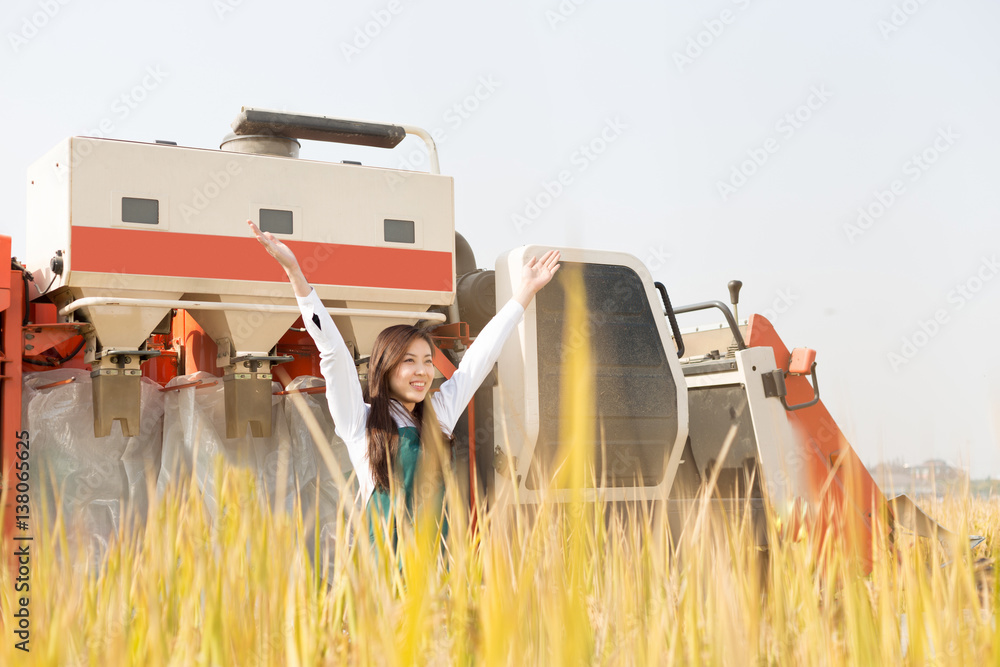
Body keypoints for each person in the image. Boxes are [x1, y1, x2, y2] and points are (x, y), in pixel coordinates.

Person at [248, 220, 560, 543]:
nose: (422, 372)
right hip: (384, 582)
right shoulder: (361, 423)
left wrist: (524, 293)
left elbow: (480, 357)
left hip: (438, 578)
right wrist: (295, 274)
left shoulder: (439, 417)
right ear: (385, 367)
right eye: (409, 362)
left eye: (427, 362)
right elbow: (333, 353)